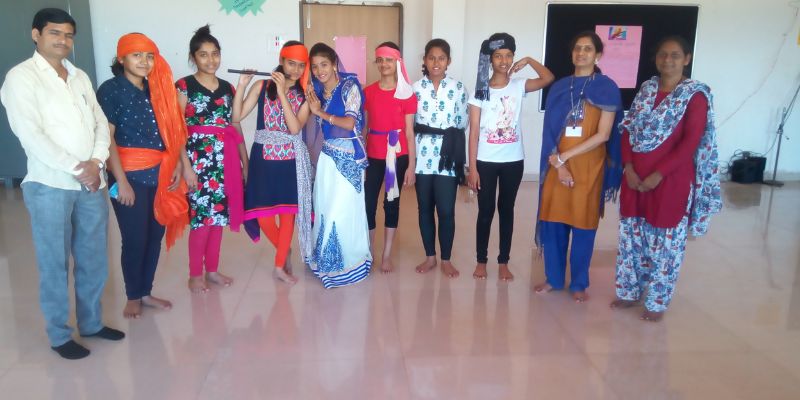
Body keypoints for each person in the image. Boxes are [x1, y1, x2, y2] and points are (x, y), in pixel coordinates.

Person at [0, 8, 124, 359]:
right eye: (55, 32)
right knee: (54, 263)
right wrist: (77, 167)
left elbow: (100, 123)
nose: (63, 40)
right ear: (36, 34)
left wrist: (96, 163)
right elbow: (30, 134)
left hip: (91, 184)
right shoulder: (21, 78)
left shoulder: (79, 76)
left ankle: (92, 323)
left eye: (68, 34)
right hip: (50, 185)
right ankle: (59, 335)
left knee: (93, 257)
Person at [611, 36, 721, 321]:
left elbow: (690, 142)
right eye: (662, 54)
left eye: (675, 55)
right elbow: (628, 129)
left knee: (666, 243)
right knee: (632, 237)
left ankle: (656, 302)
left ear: (687, 59)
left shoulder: (695, 96)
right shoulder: (647, 89)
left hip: (670, 181)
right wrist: (629, 168)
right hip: (634, 179)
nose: (667, 60)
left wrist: (658, 174)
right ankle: (629, 292)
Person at [98, 32, 189, 319]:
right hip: (129, 176)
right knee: (135, 238)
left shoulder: (159, 88)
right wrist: (122, 181)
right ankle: (133, 295)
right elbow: (107, 139)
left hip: (161, 174)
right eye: (136, 55)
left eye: (150, 56)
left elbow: (172, 132)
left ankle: (146, 291)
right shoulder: (111, 90)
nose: (144, 61)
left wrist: (177, 166)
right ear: (121, 58)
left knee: (154, 235)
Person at [533, 31, 624, 302]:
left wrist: (566, 157)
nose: (581, 53)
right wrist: (558, 162)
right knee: (553, 222)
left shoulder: (607, 87)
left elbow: (604, 135)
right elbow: (549, 133)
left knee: (583, 224)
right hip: (556, 165)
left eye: (587, 49)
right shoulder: (560, 87)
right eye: (577, 48)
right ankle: (554, 278)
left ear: (597, 55)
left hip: (589, 167)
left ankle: (579, 283)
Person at [467, 32, 554, 281]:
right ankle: (481, 260)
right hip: (485, 161)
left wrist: (528, 60)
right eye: (498, 56)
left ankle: (503, 261)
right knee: (485, 211)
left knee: (507, 210)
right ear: (490, 59)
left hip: (513, 161)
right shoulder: (480, 91)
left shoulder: (519, 85)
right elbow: (474, 133)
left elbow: (548, 78)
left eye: (508, 55)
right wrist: (472, 168)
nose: (503, 61)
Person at [233, 41, 313, 285]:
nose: (296, 70)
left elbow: (294, 128)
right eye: (291, 63)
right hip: (263, 160)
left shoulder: (305, 95)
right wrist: (242, 85)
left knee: (287, 214)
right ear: (281, 60)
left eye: (301, 65)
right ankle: (284, 249)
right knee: (263, 215)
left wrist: (282, 93)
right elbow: (236, 117)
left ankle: (279, 266)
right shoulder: (261, 86)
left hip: (290, 160)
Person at [176, 25, 247, 293]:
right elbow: (176, 129)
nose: (211, 60)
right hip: (198, 161)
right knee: (201, 220)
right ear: (193, 57)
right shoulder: (183, 86)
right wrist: (185, 166)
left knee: (218, 218)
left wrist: (244, 162)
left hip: (224, 159)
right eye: (203, 54)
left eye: (215, 53)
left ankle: (212, 270)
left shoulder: (228, 88)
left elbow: (235, 124)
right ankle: (195, 274)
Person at [304, 42, 372, 288]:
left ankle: (348, 263)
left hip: (348, 159)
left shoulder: (350, 86)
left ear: (334, 64)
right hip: (327, 158)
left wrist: (319, 112)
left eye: (324, 64)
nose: (320, 71)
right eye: (315, 67)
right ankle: (325, 259)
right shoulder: (317, 90)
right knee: (325, 207)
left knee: (342, 211)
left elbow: (348, 124)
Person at [411, 38, 468, 278]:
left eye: (441, 58)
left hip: (447, 157)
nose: (436, 63)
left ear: (448, 61)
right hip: (422, 156)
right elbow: (410, 123)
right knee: (424, 208)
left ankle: (446, 259)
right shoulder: (415, 88)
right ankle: (430, 257)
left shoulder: (458, 88)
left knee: (445, 210)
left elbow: (463, 122)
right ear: (425, 60)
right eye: (432, 58)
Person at [363, 41, 417, 273]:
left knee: (391, 203)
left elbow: (409, 132)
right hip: (373, 155)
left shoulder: (407, 94)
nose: (384, 64)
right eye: (380, 60)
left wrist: (411, 166)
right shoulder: (368, 92)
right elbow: (364, 127)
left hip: (396, 156)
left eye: (389, 60)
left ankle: (386, 254)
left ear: (397, 62)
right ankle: (369, 252)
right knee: (368, 203)